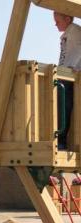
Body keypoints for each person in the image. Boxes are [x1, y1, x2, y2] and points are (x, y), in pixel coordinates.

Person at [54, 12, 81, 149]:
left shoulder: (75, 30)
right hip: (65, 74)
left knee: (64, 105)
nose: (55, 24)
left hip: (70, 76)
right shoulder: (68, 33)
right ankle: (60, 139)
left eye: (58, 21)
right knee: (60, 105)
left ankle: (61, 139)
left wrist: (76, 65)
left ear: (68, 18)